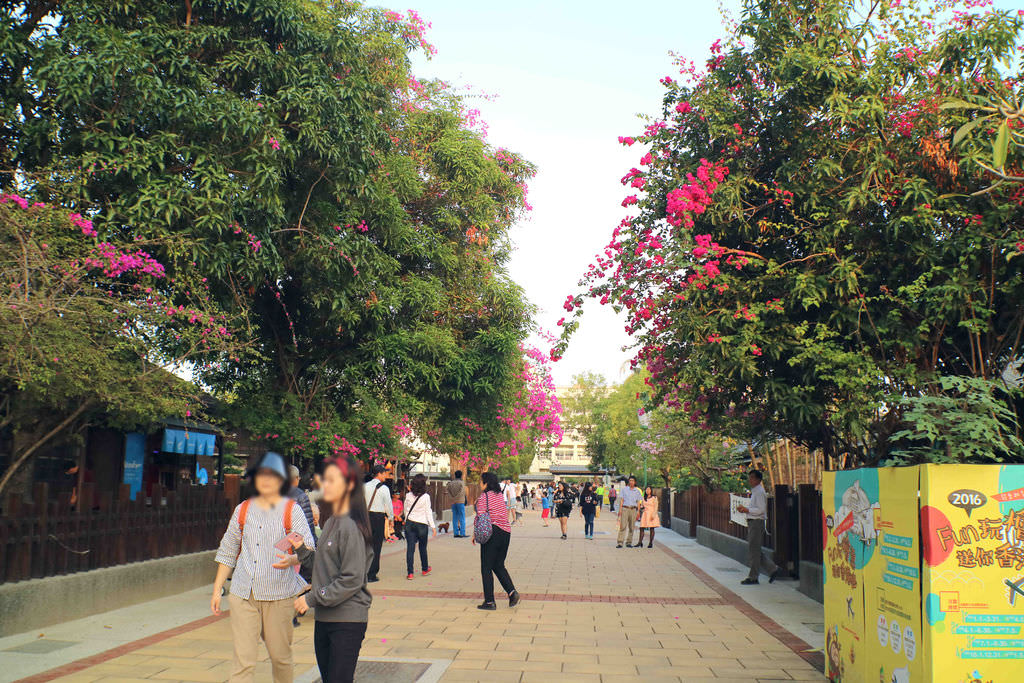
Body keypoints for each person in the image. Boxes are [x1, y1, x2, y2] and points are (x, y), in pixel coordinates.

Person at [211, 451, 316, 683]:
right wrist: (218, 588)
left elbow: (308, 548)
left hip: (278, 595)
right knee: (243, 661)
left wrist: (292, 559)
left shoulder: (292, 511)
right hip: (243, 594)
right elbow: (228, 550)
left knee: (280, 658)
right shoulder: (243, 510)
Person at [290, 455, 372, 683]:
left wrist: (311, 599)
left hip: (346, 621)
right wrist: (302, 551)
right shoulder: (332, 521)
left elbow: (351, 578)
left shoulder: (350, 525)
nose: (325, 485)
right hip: (326, 619)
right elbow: (326, 567)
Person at [473, 471, 520, 610]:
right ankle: (512, 592)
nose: (479, 484)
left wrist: (475, 533)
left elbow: (481, 517)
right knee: (498, 565)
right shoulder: (500, 495)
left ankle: (489, 601)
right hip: (505, 532)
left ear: (486, 483)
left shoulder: (484, 497)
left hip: (492, 532)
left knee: (486, 567)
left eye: (481, 481)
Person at [736, 469, 780, 585]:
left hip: (756, 522)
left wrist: (747, 510)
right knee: (755, 549)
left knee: (754, 550)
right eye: (749, 478)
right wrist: (746, 510)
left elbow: (761, 510)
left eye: (752, 478)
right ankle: (772, 569)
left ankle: (754, 576)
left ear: (758, 480)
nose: (750, 480)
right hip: (753, 522)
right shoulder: (755, 491)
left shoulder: (759, 492)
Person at [404, 473, 437, 580]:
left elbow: (406, 510)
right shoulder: (426, 497)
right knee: (422, 548)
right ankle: (424, 568)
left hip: (410, 523)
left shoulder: (408, 495)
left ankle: (410, 573)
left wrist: (406, 520)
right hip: (422, 525)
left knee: (410, 548)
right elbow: (428, 512)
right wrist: (433, 526)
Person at [363, 465, 393, 583]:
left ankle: (362, 571)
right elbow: (388, 505)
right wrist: (390, 517)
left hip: (365, 517)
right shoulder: (384, 488)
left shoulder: (364, 486)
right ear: (379, 474)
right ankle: (372, 573)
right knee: (376, 546)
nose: (386, 475)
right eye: (384, 473)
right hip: (378, 518)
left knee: (365, 545)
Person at [616, 476, 643, 548]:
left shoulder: (637, 491)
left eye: (633, 481)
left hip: (633, 510)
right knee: (623, 526)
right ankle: (620, 542)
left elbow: (638, 502)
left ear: (635, 482)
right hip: (625, 509)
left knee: (631, 527)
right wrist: (620, 510)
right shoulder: (624, 489)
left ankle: (629, 542)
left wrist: (638, 512)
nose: (631, 482)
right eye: (630, 480)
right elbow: (621, 500)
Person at [446, 470, 468, 538]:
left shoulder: (450, 483)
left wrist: (452, 498)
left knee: (455, 517)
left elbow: (448, 491)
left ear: (455, 475)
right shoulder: (462, 483)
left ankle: (455, 533)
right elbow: (462, 492)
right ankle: (462, 533)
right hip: (460, 502)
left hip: (453, 502)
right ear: (461, 475)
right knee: (462, 518)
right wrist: (457, 498)